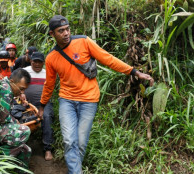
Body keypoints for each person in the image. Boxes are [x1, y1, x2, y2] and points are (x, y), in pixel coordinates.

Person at [38, 15, 154, 174]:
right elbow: (49, 84)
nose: (66, 33)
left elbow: (108, 59)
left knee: (80, 143)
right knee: (69, 140)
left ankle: (74, 171)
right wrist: (43, 105)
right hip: (67, 100)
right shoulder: (51, 57)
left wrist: (133, 71)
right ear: (52, 34)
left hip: (89, 100)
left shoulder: (83, 41)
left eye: (67, 29)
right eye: (61, 31)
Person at [23, 52, 54, 161]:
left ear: (43, 63)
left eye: (39, 62)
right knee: (20, 119)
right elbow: (15, 82)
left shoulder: (47, 73)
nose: (37, 64)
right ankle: (21, 147)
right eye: (34, 61)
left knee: (47, 118)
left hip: (44, 104)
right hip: (27, 104)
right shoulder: (25, 71)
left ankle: (47, 149)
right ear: (30, 61)